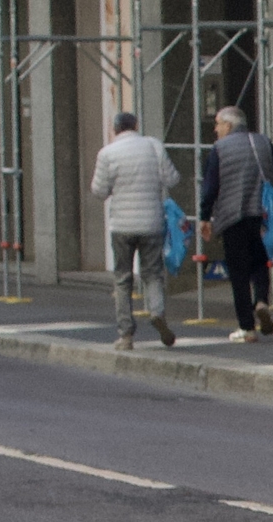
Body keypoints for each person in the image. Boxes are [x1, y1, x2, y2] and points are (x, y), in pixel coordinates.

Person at [197, 106, 273, 345]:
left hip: (232, 216)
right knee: (260, 260)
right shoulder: (263, 143)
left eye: (218, 123)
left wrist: (204, 216)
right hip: (262, 214)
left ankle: (246, 327)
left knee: (238, 271)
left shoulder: (219, 149)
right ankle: (261, 301)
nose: (215, 129)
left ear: (228, 125)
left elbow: (210, 187)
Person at [89, 111, 176, 352]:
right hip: (151, 222)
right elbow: (172, 178)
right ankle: (157, 312)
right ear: (136, 125)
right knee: (153, 274)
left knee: (122, 279)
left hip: (122, 225)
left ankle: (126, 334)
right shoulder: (153, 146)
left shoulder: (107, 153)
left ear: (115, 129)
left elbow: (98, 190)